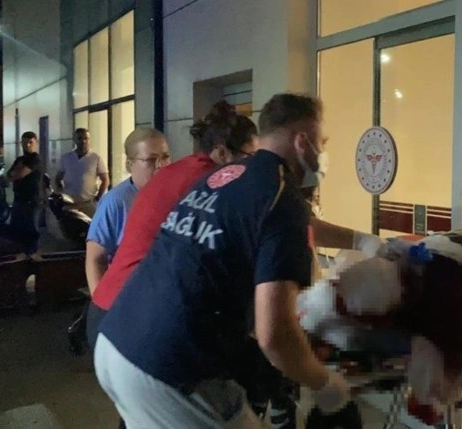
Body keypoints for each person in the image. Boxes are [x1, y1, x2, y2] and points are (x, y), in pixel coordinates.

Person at [93, 93, 360, 428]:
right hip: (165, 367)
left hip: (116, 341)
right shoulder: (281, 198)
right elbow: (274, 334)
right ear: (303, 142)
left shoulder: (224, 178)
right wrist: (325, 384)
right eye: (323, 142)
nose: (323, 152)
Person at [86, 101, 258, 350]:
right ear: (222, 153)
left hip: (121, 311)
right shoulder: (206, 181)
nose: (251, 168)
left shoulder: (178, 173)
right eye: (250, 158)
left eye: (165, 156)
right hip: (128, 313)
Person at [85, 128, 171, 295]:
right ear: (130, 165)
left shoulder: (178, 194)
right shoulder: (116, 202)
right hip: (129, 296)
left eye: (166, 157)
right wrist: (100, 303)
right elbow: (95, 260)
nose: (161, 165)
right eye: (151, 160)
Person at [54, 128, 109, 217]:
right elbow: (58, 178)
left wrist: (98, 197)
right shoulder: (66, 158)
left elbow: (105, 180)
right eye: (80, 138)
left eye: (86, 138)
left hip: (88, 203)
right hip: (70, 203)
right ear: (75, 140)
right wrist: (61, 192)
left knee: (90, 225)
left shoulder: (96, 158)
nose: (83, 141)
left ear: (89, 140)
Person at [7, 131, 42, 254]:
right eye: (25, 142)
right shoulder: (20, 159)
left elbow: (18, 175)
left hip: (32, 201)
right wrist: (16, 171)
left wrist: (17, 171)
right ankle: (18, 255)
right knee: (16, 230)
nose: (27, 145)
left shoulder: (35, 159)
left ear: (36, 143)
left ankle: (32, 256)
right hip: (19, 200)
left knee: (31, 232)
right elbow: (9, 175)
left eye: (30, 142)